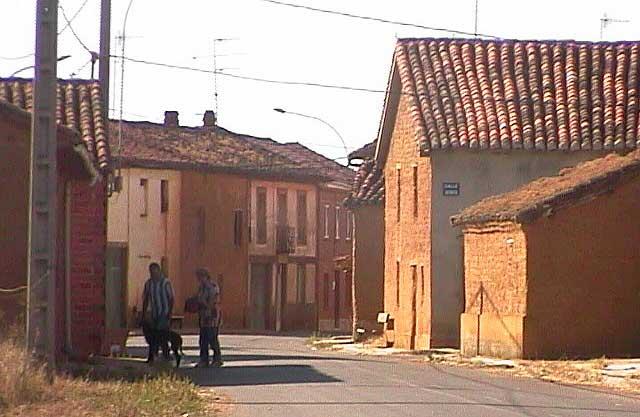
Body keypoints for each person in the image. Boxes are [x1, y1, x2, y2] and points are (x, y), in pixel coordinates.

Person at [141, 262, 174, 363]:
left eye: (154, 271)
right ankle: (153, 355)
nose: (153, 273)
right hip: (154, 313)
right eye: (151, 271)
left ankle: (165, 354)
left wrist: (169, 313)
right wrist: (144, 313)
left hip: (164, 312)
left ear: (159, 270)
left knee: (162, 333)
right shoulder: (148, 283)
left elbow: (171, 298)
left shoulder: (165, 283)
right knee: (153, 335)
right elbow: (146, 298)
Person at [194, 268, 223, 368]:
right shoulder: (201, 288)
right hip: (203, 316)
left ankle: (217, 359)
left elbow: (213, 301)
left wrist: (205, 304)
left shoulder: (213, 287)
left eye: (201, 276)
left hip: (212, 316)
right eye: (198, 277)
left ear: (206, 276)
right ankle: (204, 359)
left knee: (212, 337)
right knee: (203, 339)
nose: (199, 279)